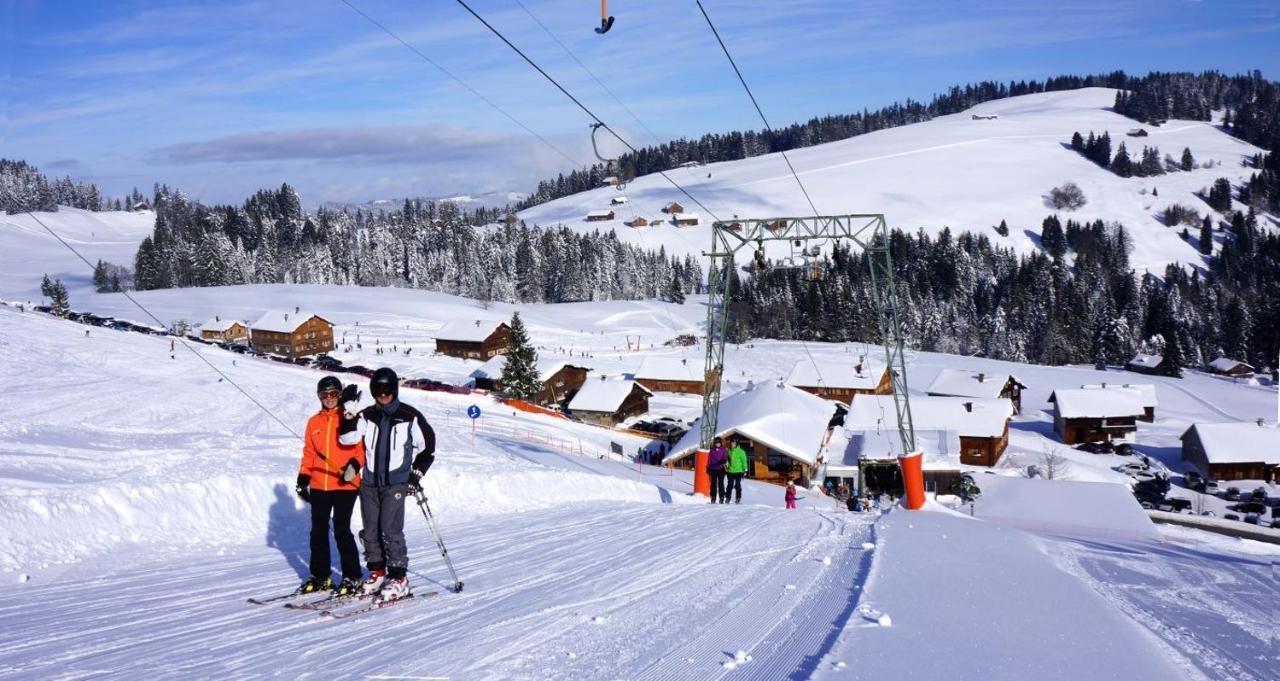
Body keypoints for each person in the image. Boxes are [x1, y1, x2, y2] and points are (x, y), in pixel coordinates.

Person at [339, 367, 435, 603]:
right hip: (370, 483)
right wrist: (348, 413)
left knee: (390, 530)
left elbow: (428, 447)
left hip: (396, 484)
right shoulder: (367, 415)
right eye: (378, 390)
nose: (383, 394)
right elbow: (347, 438)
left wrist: (415, 476)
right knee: (370, 531)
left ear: (394, 389)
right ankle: (377, 572)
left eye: (387, 390)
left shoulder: (409, 416)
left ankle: (399, 578)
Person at [294, 376, 366, 597]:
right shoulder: (313, 422)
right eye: (324, 395)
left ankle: (352, 575)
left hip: (345, 483)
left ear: (340, 395)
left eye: (333, 394)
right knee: (318, 531)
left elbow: (360, 449)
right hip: (319, 483)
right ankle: (320, 575)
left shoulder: (348, 417)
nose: (329, 399)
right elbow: (309, 452)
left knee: (342, 529)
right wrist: (303, 478)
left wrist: (354, 466)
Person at [706, 437, 728, 504]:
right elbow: (709, 459)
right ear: (714, 443)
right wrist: (708, 467)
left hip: (721, 469)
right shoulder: (712, 450)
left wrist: (723, 461)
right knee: (713, 484)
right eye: (716, 443)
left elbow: (725, 458)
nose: (717, 444)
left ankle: (721, 498)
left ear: (720, 443)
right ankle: (713, 497)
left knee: (721, 484)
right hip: (713, 469)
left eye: (718, 443)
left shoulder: (723, 450)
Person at [725, 440, 748, 504]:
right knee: (730, 485)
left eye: (734, 443)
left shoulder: (741, 451)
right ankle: (727, 498)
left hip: (738, 471)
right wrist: (726, 466)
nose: (733, 444)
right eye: (732, 443)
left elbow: (744, 461)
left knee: (737, 485)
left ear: (737, 443)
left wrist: (745, 469)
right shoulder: (729, 451)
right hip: (730, 471)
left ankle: (738, 498)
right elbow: (727, 460)